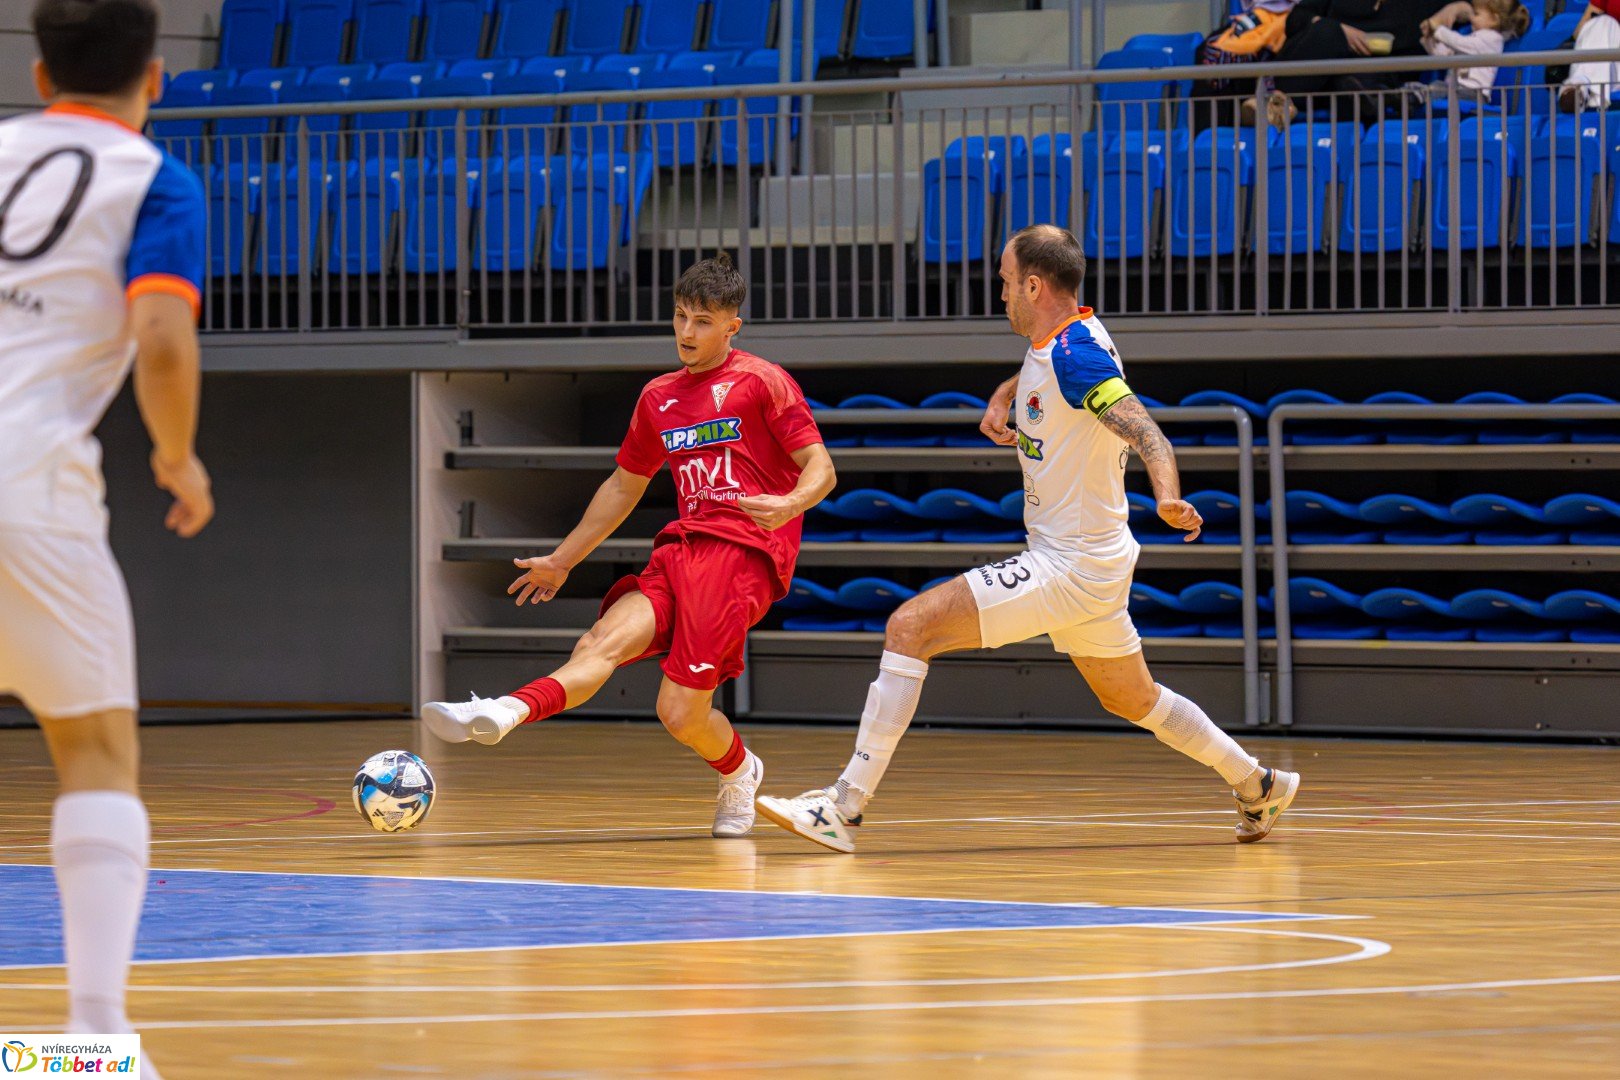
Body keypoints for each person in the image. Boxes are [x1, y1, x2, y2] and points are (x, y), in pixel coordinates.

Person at [754, 225, 1301, 855]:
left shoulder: (1077, 358)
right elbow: (1049, 369)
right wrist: (1008, 391)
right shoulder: (1067, 336)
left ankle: (842, 807)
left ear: (1036, 285)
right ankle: (1258, 783)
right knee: (1135, 698)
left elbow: (1148, 432)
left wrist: (1167, 494)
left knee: (910, 627)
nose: (1002, 292)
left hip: (1066, 565)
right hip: (1098, 562)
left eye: (1007, 281)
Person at [421, 254, 836, 838]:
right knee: (600, 641)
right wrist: (562, 560)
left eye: (702, 322)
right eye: (680, 317)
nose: (686, 334)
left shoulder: (762, 381)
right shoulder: (658, 397)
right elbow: (622, 486)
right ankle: (505, 709)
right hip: (682, 548)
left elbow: (821, 466)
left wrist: (792, 503)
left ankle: (740, 771)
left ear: (731, 327)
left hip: (743, 554)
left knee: (677, 713)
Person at [0, 1, 214, 1074]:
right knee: (94, 751)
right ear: (158, 78)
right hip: (27, 485)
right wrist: (176, 456)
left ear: (38, 74)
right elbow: (164, 332)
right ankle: (92, 1043)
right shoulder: (157, 180)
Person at [1271, 0, 1453, 123]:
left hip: (1371, 75)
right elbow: (1295, 19)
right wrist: (1342, 33)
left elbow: (1477, 9)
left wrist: (1457, 8)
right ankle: (1275, 104)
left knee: (1352, 85)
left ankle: (1271, 108)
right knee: (1328, 32)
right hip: (1318, 69)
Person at [1406, 0, 1530, 109]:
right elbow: (1445, 56)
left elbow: (1458, 42)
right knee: (1436, 86)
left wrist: (1438, 29)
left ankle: (1415, 97)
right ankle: (1409, 95)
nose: (1471, 18)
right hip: (1455, 90)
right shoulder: (1474, 37)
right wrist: (1429, 38)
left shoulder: (1492, 40)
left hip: (1473, 94)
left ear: (1494, 19)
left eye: (1476, 14)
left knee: (1437, 87)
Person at [1559, 2, 1620, 113]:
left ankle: (1579, 89)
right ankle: (1579, 94)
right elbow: (1590, 16)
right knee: (1602, 22)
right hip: (1610, 63)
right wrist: (1567, 46)